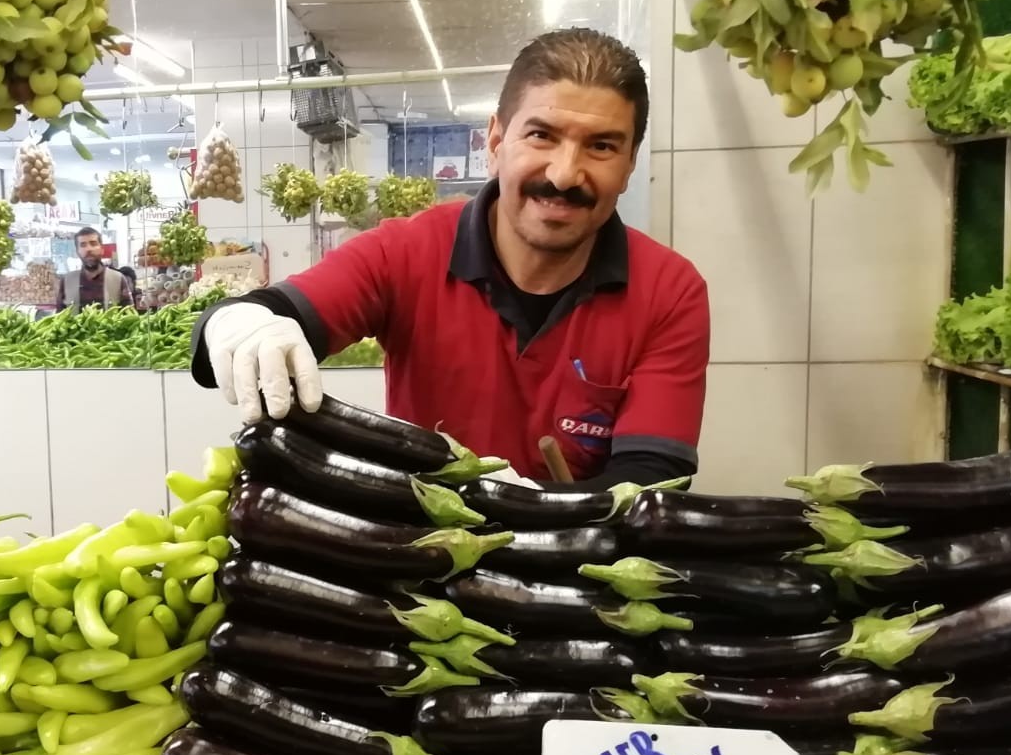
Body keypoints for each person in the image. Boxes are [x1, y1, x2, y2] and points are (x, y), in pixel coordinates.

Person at [192, 28, 711, 487]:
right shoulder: (406, 252)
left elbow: (652, 481)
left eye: (601, 146)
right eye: (541, 136)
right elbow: (277, 311)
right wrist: (236, 322)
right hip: (420, 577)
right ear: (495, 141)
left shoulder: (669, 291)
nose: (563, 174)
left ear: (628, 166)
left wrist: (527, 510)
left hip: (579, 576)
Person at [58, 227, 129, 310]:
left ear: (102, 249)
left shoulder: (118, 279)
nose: (88, 249)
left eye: (93, 243)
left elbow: (130, 316)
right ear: (77, 251)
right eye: (83, 245)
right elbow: (58, 318)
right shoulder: (67, 281)